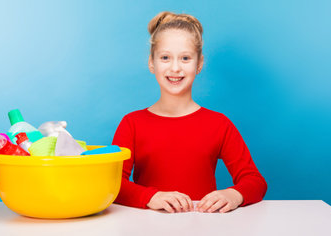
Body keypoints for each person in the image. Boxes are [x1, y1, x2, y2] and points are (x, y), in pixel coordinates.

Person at [112, 11, 267, 213]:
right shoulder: (132, 123)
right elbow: (114, 185)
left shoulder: (219, 124)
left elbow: (255, 181)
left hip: (203, 225)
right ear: (152, 63)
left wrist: (233, 194)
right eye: (165, 57)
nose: (175, 68)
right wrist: (151, 197)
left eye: (185, 58)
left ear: (199, 63)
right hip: (148, 226)